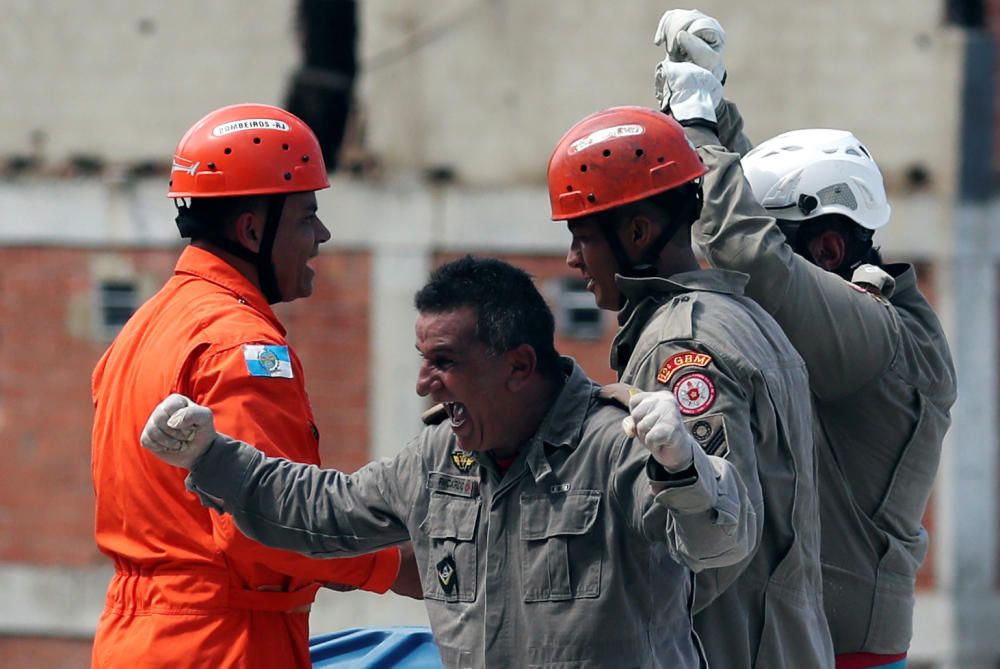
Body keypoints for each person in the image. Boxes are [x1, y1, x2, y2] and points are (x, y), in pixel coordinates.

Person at [139, 255, 761, 669]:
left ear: (519, 366)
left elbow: (719, 543)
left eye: (444, 362)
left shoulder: (615, 446)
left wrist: (684, 465)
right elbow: (324, 512)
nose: (423, 384)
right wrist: (212, 456)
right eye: (421, 358)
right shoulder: (441, 457)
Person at [651, 9, 957, 668]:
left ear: (825, 245)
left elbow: (755, 259)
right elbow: (758, 237)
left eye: (793, 248)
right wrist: (713, 103)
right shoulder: (865, 319)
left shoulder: (877, 336)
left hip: (841, 651)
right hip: (807, 638)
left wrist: (695, 127)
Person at [90, 103, 414, 669]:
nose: (322, 235)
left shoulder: (146, 326)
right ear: (251, 229)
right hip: (225, 645)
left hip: (136, 641)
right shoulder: (240, 344)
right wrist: (409, 566)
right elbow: (268, 523)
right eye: (306, 216)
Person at [548, 104, 834, 668]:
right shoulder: (742, 316)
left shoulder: (681, 344)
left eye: (583, 236)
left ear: (637, 231)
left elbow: (713, 541)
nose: (572, 258)